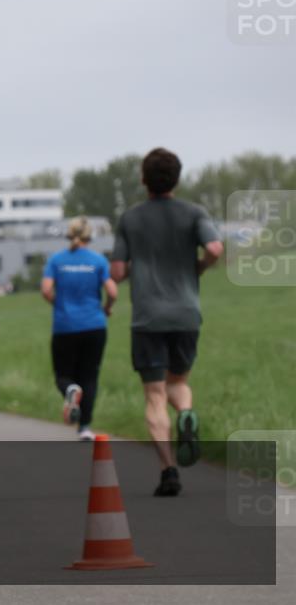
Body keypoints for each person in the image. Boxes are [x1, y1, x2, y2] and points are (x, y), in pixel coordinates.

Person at [111, 147, 222, 497]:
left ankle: (168, 471)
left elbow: (117, 270)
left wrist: (134, 269)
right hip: (186, 314)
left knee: (155, 395)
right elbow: (216, 248)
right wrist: (199, 267)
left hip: (147, 317)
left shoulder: (130, 218)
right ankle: (186, 413)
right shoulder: (194, 213)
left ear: (144, 179)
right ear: (177, 177)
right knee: (179, 384)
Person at [41, 217, 118, 441]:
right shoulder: (98, 260)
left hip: (65, 326)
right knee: (90, 377)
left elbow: (46, 290)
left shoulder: (56, 260)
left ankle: (69, 390)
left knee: (63, 375)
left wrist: (60, 305)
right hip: (94, 325)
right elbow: (112, 292)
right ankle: (84, 427)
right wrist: (106, 308)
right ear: (90, 236)